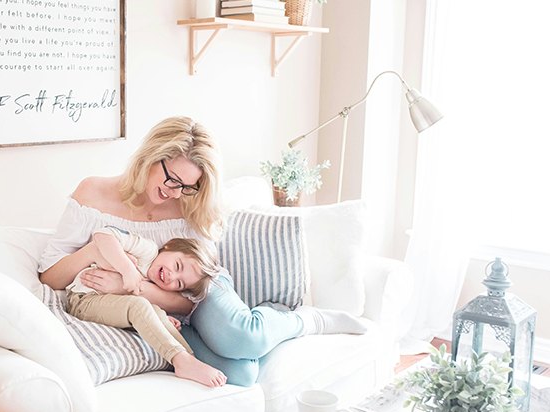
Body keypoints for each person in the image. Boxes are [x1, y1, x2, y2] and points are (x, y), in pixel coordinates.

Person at [39, 116, 366, 387]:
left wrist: (134, 286)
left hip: (198, 287)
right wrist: (97, 253)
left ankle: (303, 321)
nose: (174, 192)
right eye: (172, 179)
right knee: (241, 375)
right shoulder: (93, 193)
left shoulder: (188, 205)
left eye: (186, 186)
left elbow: (189, 296)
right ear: (151, 157)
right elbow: (49, 275)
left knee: (244, 338)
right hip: (154, 309)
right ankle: (260, 328)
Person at [65, 225, 225, 387]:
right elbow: (102, 234)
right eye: (177, 266)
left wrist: (159, 318)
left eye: (179, 283)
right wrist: (127, 270)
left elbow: (131, 307)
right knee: (139, 305)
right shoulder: (147, 250)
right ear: (170, 246)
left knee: (157, 312)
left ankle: (187, 359)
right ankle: (180, 360)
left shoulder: (155, 285)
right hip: (83, 299)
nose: (172, 276)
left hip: (110, 305)